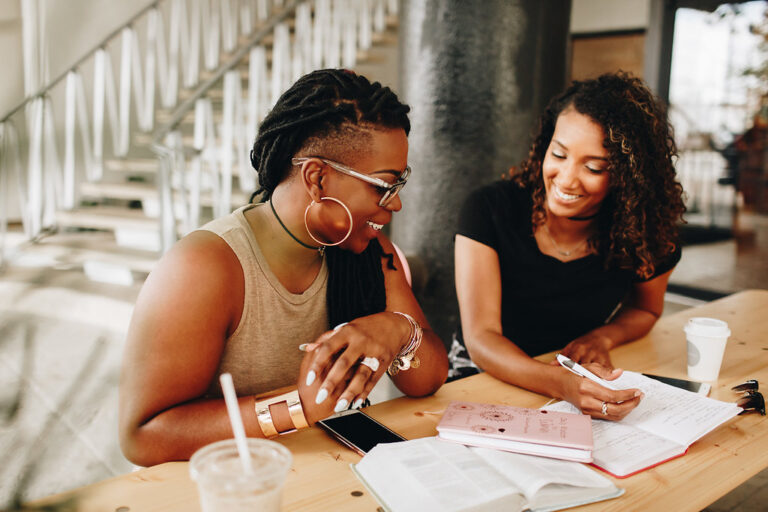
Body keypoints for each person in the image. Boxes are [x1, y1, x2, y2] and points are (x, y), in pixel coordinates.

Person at [119, 69, 448, 466]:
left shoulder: (368, 252)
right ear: (317, 178)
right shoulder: (205, 267)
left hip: (324, 475)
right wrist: (298, 406)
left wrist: (398, 329)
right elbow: (142, 436)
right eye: (383, 186)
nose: (395, 204)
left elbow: (426, 380)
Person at [454, 72, 685, 421]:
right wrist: (559, 383)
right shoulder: (490, 209)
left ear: (627, 176)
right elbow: (481, 337)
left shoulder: (645, 232)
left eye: (593, 167)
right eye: (559, 154)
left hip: (575, 378)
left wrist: (603, 337)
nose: (566, 179)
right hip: (481, 374)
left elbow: (646, 310)